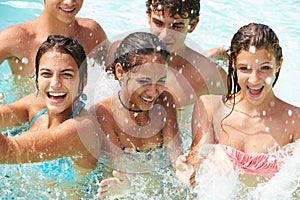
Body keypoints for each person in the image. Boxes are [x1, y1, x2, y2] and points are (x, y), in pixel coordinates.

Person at [176, 23, 300, 187]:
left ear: (278, 64)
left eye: (264, 68)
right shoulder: (210, 105)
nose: (254, 80)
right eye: (245, 69)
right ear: (233, 64)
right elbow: (195, 166)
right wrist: (204, 156)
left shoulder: (295, 122)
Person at [89, 32, 184, 198]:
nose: (153, 92)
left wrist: (184, 169)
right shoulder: (103, 114)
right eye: (143, 81)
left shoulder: (164, 101)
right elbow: (118, 168)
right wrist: (125, 189)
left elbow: (176, 155)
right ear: (120, 72)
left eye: (161, 81)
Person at [0, 35, 102, 175]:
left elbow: (7, 152)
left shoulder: (83, 127)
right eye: (46, 74)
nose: (55, 84)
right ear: (37, 78)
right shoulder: (36, 105)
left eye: (66, 74)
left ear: (83, 80)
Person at [0, 0, 108, 96]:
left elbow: (117, 76)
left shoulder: (92, 33)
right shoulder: (17, 39)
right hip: (33, 117)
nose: (69, 2)